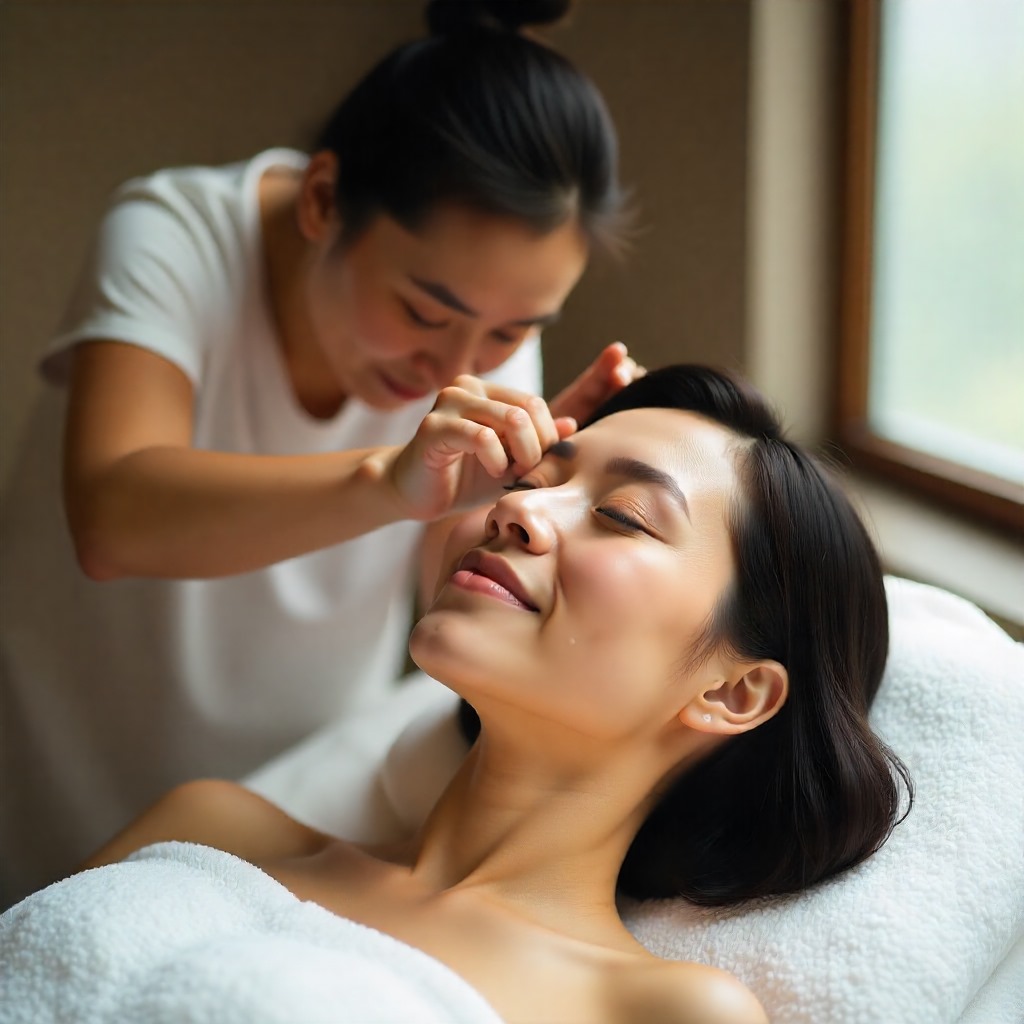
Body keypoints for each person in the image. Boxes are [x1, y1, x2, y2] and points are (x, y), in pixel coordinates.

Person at [1, 366, 912, 1024]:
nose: (517, 509)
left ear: (737, 692)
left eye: (623, 516)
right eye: (533, 479)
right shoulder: (210, 828)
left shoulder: (660, 1012)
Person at [0, 0, 638, 908]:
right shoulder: (176, 233)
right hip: (68, 743)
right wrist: (387, 480)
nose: (454, 365)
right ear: (323, 199)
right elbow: (113, 519)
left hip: (295, 779)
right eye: (423, 311)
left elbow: (439, 578)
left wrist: (523, 496)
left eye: (511, 332)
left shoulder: (478, 323)